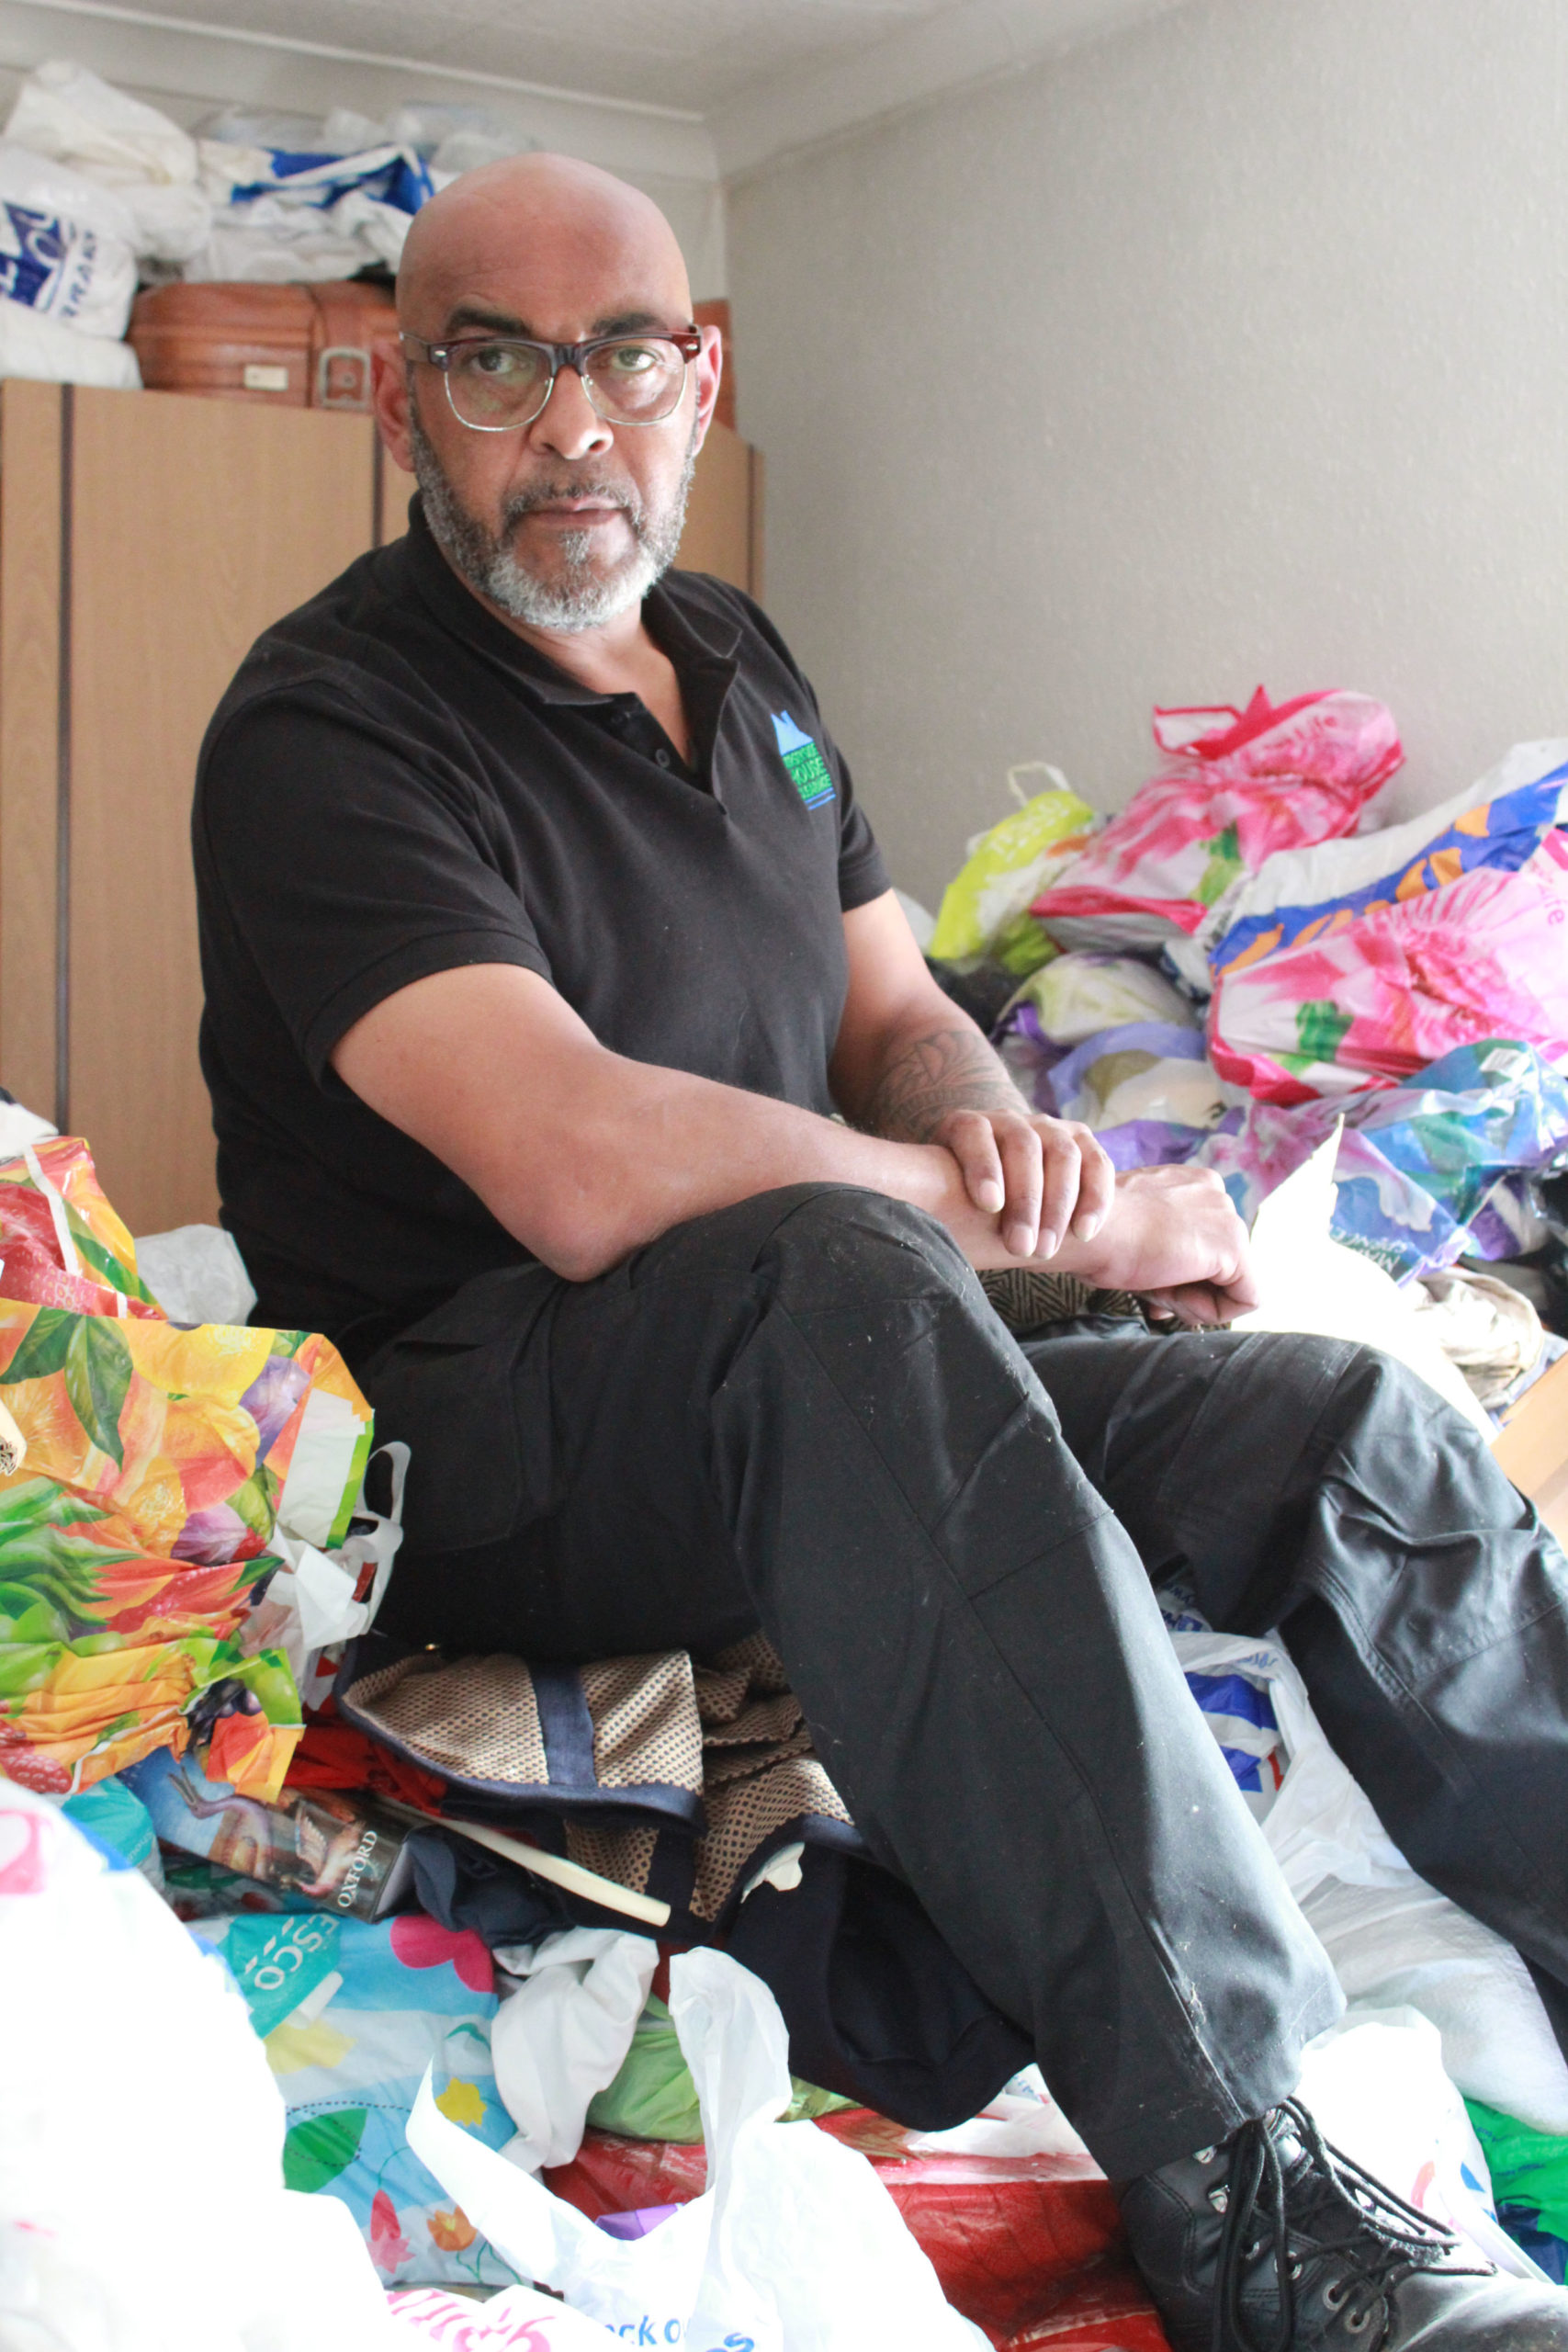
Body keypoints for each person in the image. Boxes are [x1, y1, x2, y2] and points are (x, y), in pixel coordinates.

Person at [192, 152, 1568, 2349]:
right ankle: (1249, 2185)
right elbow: (573, 1158)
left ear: (697, 374)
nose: (572, 422)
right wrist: (1015, 1215)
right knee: (836, 1276)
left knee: (1336, 1421)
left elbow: (894, 1007)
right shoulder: (328, 725)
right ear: (399, 397)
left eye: (623, 357)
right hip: (481, 1442)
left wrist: (1010, 1153)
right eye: (496, 363)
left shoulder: (735, 660)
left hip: (831, 1388)